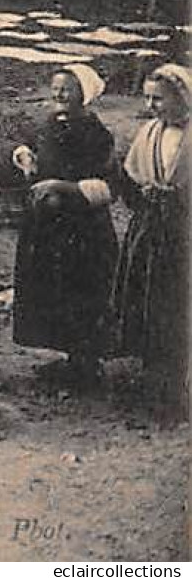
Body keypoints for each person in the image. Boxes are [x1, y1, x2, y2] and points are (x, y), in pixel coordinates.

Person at [9, 63, 118, 390]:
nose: (58, 94)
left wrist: (62, 186)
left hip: (81, 226)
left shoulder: (96, 134)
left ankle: (87, 364)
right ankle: (68, 357)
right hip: (48, 223)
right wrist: (25, 155)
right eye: (55, 87)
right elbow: (27, 141)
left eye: (66, 89)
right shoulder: (49, 123)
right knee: (50, 286)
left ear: (83, 95)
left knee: (79, 286)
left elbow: (106, 184)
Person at [112, 63, 190, 422]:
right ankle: (152, 377)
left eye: (158, 98)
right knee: (148, 299)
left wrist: (175, 197)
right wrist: (144, 195)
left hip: (183, 235)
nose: (151, 105)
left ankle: (178, 386)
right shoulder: (149, 133)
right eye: (147, 98)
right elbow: (130, 176)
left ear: (180, 98)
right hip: (150, 232)